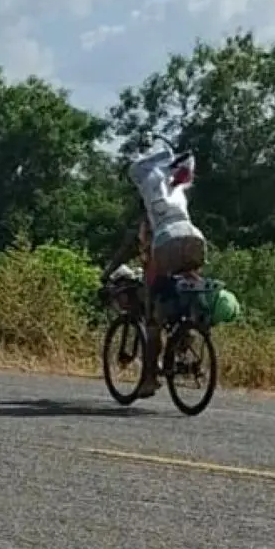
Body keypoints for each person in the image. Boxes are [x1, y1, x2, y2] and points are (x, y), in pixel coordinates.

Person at [104, 144, 207, 397]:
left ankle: (149, 378)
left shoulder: (150, 219)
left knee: (152, 323)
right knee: (188, 293)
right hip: (195, 241)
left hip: (165, 252)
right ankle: (186, 340)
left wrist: (108, 272)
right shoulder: (178, 197)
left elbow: (129, 248)